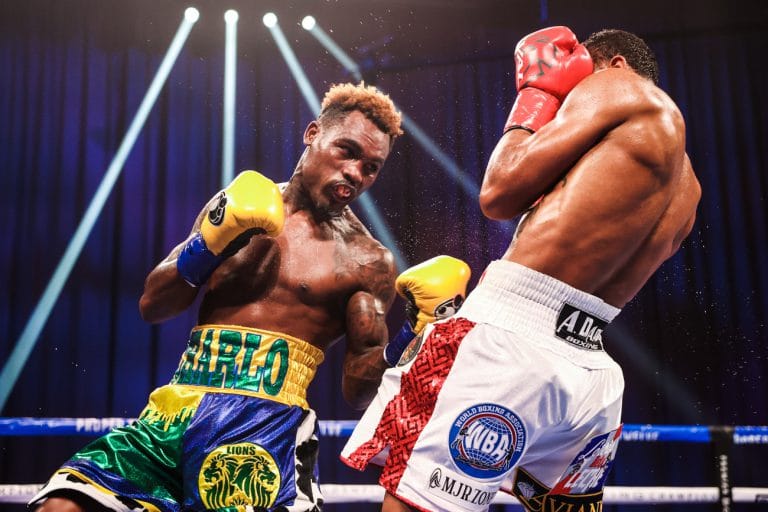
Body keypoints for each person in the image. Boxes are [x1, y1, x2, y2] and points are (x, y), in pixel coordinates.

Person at [28, 82, 471, 512]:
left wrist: (414, 333)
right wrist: (210, 244)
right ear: (313, 134)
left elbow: (357, 390)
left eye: (372, 167)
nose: (356, 173)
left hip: (264, 424)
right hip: (172, 412)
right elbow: (153, 304)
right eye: (347, 151)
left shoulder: (366, 260)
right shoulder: (236, 203)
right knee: (62, 504)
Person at [342, 27, 701, 512]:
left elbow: (499, 192)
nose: (572, 99)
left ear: (613, 64)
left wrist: (537, 96)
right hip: (591, 373)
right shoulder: (688, 190)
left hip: (508, 343)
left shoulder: (619, 87)